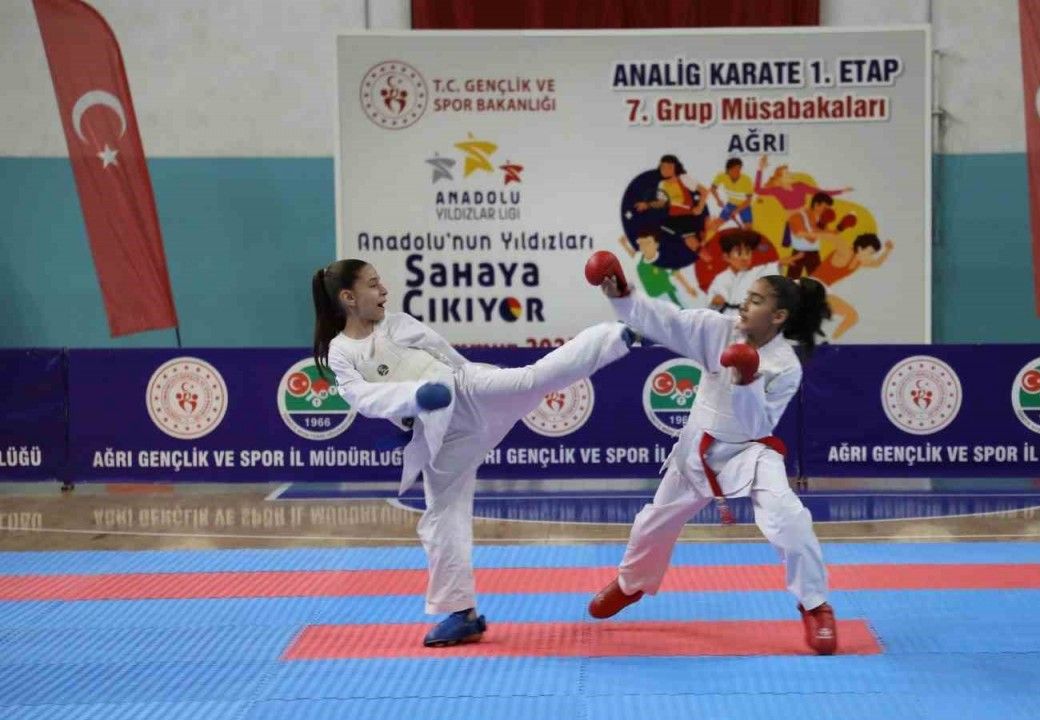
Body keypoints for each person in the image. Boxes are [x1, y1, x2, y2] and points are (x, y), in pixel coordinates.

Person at [312, 259, 633, 648]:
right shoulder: (341, 352)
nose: (384, 290)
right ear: (348, 297)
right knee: (442, 515)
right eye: (373, 284)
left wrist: (464, 381)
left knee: (533, 379)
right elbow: (363, 397)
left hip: (468, 391)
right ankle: (461, 614)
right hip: (441, 432)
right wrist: (416, 397)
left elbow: (443, 354)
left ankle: (621, 334)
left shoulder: (395, 324)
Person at [582, 250, 840, 655]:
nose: (744, 305)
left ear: (778, 317)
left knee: (790, 518)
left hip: (749, 454)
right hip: (697, 449)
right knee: (652, 524)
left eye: (756, 301)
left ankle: (815, 605)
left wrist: (747, 377)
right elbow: (667, 320)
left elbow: (757, 425)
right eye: (746, 297)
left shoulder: (785, 366)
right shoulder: (716, 330)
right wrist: (624, 295)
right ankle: (632, 585)